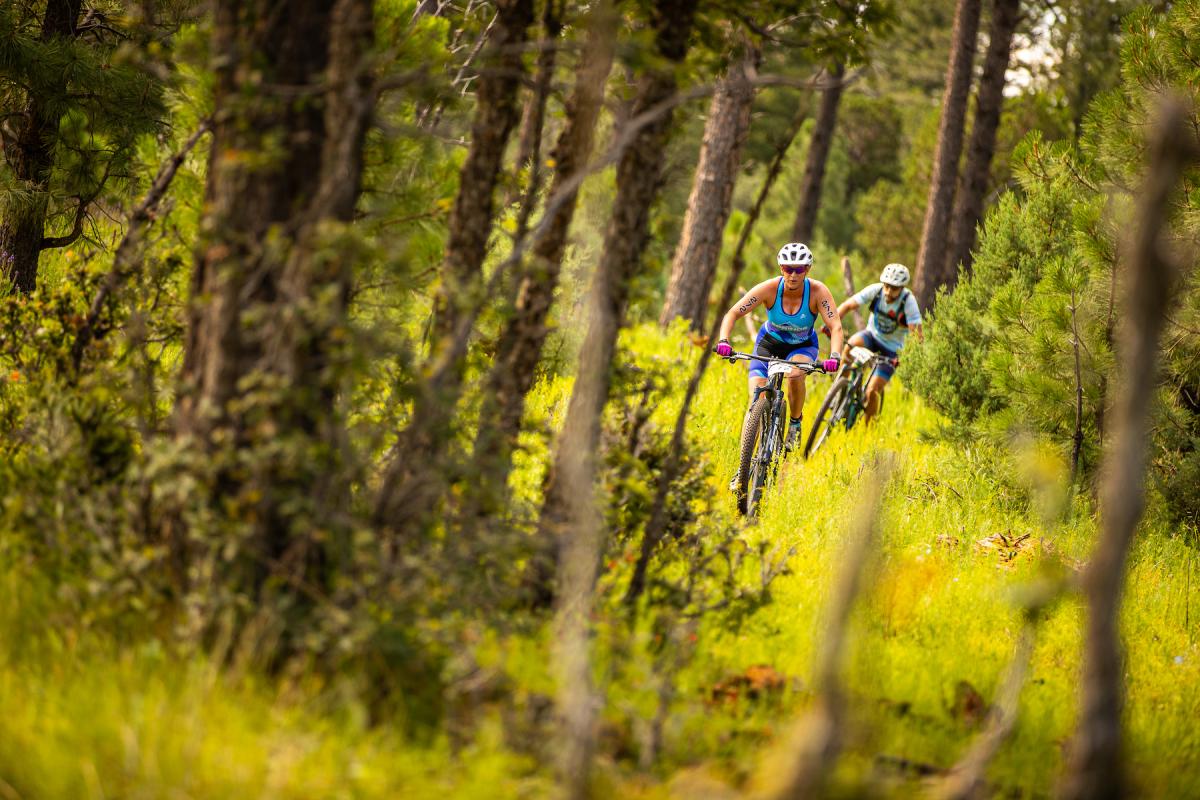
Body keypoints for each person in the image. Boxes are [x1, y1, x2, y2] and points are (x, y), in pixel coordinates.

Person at [715, 243, 843, 448]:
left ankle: (795, 423)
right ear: (781, 268)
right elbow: (733, 313)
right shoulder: (769, 288)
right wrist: (723, 340)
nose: (793, 275)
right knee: (756, 398)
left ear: (807, 269)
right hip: (769, 343)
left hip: (802, 345)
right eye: (787, 268)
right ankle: (744, 460)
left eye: (799, 269)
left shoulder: (818, 291)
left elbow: (835, 326)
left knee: (795, 375)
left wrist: (835, 355)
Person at [834, 262, 924, 423]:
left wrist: (909, 358)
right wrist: (833, 325)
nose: (888, 291)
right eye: (886, 286)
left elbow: (917, 336)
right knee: (850, 346)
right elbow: (847, 305)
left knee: (872, 391)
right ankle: (840, 392)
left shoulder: (908, 302)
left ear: (902, 288)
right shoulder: (876, 290)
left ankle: (867, 428)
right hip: (872, 337)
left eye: (894, 288)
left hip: (893, 350)